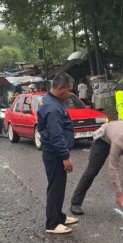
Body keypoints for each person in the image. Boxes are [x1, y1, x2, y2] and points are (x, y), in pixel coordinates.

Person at [69, 118, 123, 215]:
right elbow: (113, 168)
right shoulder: (119, 142)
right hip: (103, 140)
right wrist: (119, 194)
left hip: (121, 135)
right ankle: (75, 203)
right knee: (92, 171)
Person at [37, 72, 79, 234]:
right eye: (68, 90)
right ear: (60, 88)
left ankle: (59, 216)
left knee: (59, 186)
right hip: (54, 153)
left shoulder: (51, 100)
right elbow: (56, 135)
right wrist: (65, 157)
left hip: (54, 151)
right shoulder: (52, 107)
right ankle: (52, 224)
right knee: (55, 187)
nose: (69, 93)